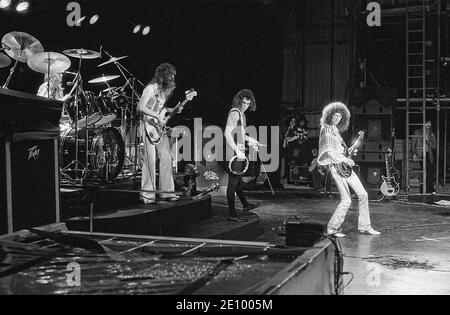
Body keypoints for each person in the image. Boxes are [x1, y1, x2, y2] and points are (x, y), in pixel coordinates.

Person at [317, 102, 380, 238]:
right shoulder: (327, 129)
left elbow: (340, 151)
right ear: (330, 115)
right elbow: (330, 151)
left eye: (340, 116)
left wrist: (350, 151)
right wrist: (347, 160)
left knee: (363, 194)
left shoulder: (335, 131)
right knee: (346, 200)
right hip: (337, 168)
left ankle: (365, 226)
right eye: (335, 115)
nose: (337, 118)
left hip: (345, 167)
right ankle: (332, 228)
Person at [138, 63, 181, 204]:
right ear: (163, 75)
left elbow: (159, 109)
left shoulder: (162, 92)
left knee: (167, 158)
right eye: (171, 75)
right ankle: (147, 195)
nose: (173, 78)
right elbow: (141, 107)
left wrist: (170, 110)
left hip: (158, 128)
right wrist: (156, 117)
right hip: (148, 126)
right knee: (150, 161)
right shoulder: (150, 89)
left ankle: (167, 192)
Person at [222, 89, 259, 222]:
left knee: (237, 181)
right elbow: (227, 133)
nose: (245, 105)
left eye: (247, 103)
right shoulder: (235, 113)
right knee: (233, 182)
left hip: (238, 151)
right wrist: (237, 150)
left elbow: (240, 135)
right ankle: (231, 213)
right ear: (239, 101)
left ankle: (245, 205)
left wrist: (251, 141)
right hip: (232, 153)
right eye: (243, 102)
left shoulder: (242, 114)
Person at [411, 120, 437, 194]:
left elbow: (434, 146)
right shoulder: (418, 132)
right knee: (423, 172)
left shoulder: (432, 133)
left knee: (430, 173)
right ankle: (423, 190)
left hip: (429, 155)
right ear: (423, 123)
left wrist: (428, 141)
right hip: (421, 154)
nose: (429, 124)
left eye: (430, 123)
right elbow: (413, 144)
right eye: (427, 123)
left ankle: (430, 189)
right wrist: (414, 154)